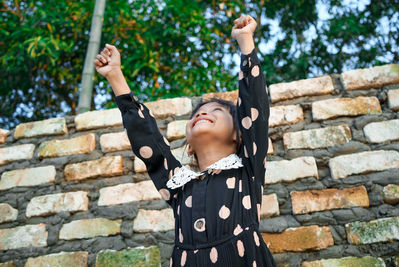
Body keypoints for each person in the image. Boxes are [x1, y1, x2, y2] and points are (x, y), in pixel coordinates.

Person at [94, 14, 276, 267]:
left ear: (239, 134)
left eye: (217, 112)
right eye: (197, 114)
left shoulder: (248, 169)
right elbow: (148, 140)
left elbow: (254, 105)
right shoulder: (178, 185)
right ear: (189, 145)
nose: (203, 113)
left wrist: (245, 42)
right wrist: (115, 76)